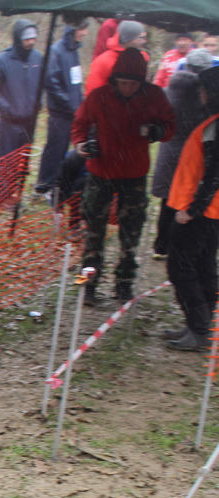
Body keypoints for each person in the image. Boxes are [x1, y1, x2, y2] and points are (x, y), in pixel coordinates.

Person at [71, 47, 175, 305]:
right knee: (93, 233)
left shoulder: (154, 96)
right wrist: (82, 145)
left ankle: (124, 286)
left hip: (134, 174)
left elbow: (170, 126)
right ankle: (87, 286)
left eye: (133, 84)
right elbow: (79, 125)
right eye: (123, 83)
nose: (128, 88)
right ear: (115, 80)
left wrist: (157, 131)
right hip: (101, 171)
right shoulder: (99, 97)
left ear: (142, 82)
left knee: (131, 234)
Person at [162, 66, 219, 351]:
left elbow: (213, 175)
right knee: (204, 266)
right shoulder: (213, 122)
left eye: (204, 90)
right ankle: (202, 324)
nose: (201, 94)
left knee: (180, 267)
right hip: (207, 210)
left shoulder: (215, 127)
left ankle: (199, 328)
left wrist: (192, 210)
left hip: (201, 212)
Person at [152, 49, 213, 259]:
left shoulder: (169, 91)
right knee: (189, 200)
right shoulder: (204, 97)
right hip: (194, 154)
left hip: (169, 151)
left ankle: (161, 246)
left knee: (168, 201)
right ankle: (181, 247)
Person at [36, 19, 90, 195]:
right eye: (82, 29)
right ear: (74, 29)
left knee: (64, 149)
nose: (85, 33)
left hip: (72, 112)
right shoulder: (56, 51)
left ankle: (56, 183)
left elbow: (76, 82)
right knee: (55, 149)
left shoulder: (74, 52)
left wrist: (80, 105)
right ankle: (44, 184)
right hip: (59, 113)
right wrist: (69, 105)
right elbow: (51, 83)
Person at [0, 19, 43, 161]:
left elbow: (43, 84)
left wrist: (39, 102)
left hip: (29, 123)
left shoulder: (38, 58)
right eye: (27, 38)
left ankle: (20, 183)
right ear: (18, 38)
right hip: (9, 124)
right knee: (7, 164)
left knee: (23, 163)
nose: (30, 42)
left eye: (33, 38)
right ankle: (5, 184)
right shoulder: (2, 60)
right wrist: (7, 108)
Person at [86, 21, 148, 95]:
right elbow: (93, 93)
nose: (144, 41)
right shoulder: (104, 61)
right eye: (140, 37)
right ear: (128, 39)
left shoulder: (144, 57)